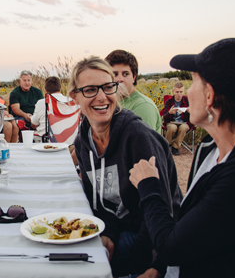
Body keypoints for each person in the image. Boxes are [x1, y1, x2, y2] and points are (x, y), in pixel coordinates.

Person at [130, 38, 235, 277]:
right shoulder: (209, 149)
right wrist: (158, 268)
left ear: (209, 96)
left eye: (194, 82)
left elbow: (172, 247)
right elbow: (195, 225)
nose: (188, 92)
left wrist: (149, 185)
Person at [69, 56, 181, 277]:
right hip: (117, 228)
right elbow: (99, 202)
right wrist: (108, 232)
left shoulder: (138, 137)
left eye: (108, 87)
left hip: (148, 237)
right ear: (74, 97)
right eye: (90, 89)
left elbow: (164, 208)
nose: (102, 97)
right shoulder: (83, 142)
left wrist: (142, 266)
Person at [105, 50, 162, 133]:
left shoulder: (143, 106)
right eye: (114, 74)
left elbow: (143, 143)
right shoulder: (111, 102)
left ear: (134, 77)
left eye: (125, 74)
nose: (120, 79)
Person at [162, 82, 193, 156]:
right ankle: (167, 145)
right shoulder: (169, 102)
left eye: (181, 92)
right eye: (177, 92)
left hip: (184, 122)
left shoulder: (188, 101)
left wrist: (190, 112)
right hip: (171, 122)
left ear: (184, 91)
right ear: (173, 91)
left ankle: (175, 147)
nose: (179, 94)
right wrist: (169, 113)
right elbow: (164, 117)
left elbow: (194, 117)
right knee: (172, 127)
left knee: (183, 127)